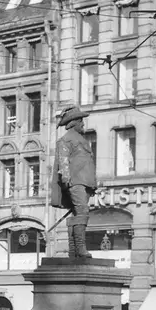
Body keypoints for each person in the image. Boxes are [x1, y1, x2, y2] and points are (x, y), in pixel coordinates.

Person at [51, 105, 97, 258]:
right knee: (83, 211)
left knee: (78, 213)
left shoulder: (81, 139)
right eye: (81, 121)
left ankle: (74, 251)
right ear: (74, 122)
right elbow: (63, 161)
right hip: (75, 181)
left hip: (84, 181)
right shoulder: (65, 140)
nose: (83, 124)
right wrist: (66, 178)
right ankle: (80, 249)